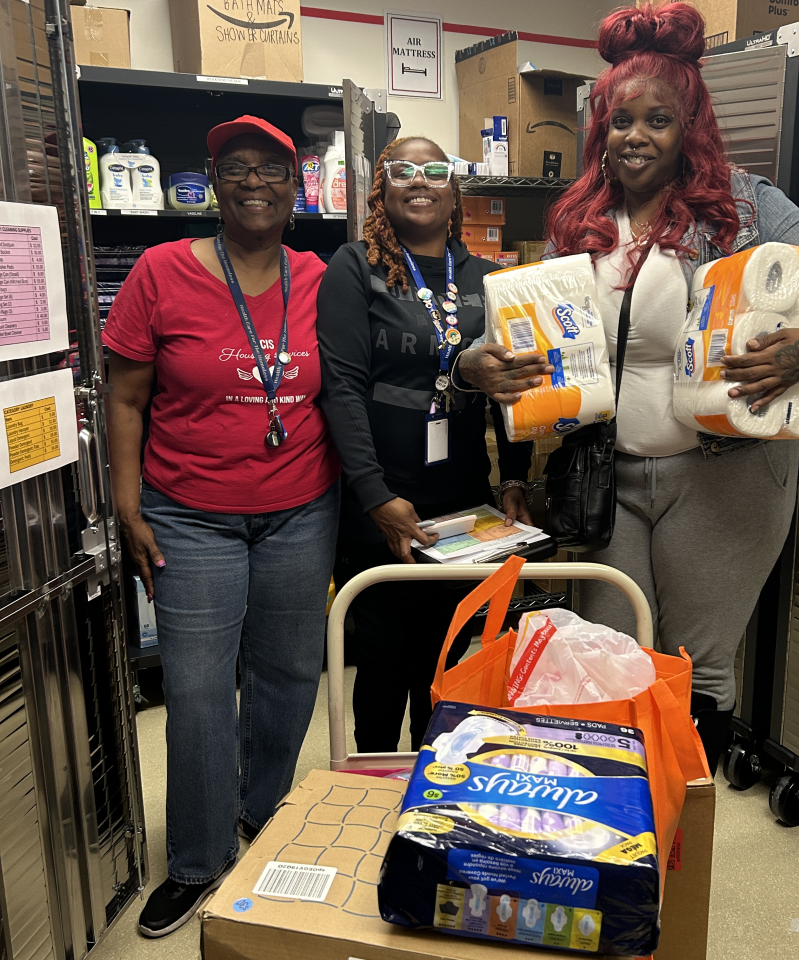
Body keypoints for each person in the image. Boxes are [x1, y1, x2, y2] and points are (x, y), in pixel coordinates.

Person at [458, 1, 799, 774]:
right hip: (607, 474)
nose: (636, 136)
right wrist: (476, 363)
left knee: (696, 668)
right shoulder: (580, 220)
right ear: (601, 128)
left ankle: (684, 832)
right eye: (620, 121)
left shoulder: (744, 205)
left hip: (725, 476)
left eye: (657, 120)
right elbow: (521, 328)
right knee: (607, 661)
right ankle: (623, 827)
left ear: (690, 126)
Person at [104, 116, 340, 937]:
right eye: (236, 167)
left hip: (301, 509)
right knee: (200, 690)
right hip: (189, 514)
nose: (254, 183)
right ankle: (198, 861)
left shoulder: (322, 276)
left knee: (289, 676)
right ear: (213, 182)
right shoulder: (161, 270)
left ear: (295, 187)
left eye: (272, 169)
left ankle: (263, 812)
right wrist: (127, 505)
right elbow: (125, 397)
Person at [317, 137, 533, 754]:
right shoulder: (355, 268)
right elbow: (342, 388)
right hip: (381, 504)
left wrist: (513, 478)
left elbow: (512, 388)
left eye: (435, 170)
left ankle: (436, 783)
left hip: (463, 504)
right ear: (381, 191)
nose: (419, 180)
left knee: (446, 662)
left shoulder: (487, 279)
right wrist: (374, 495)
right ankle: (377, 784)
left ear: (455, 192)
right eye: (402, 170)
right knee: (383, 662)